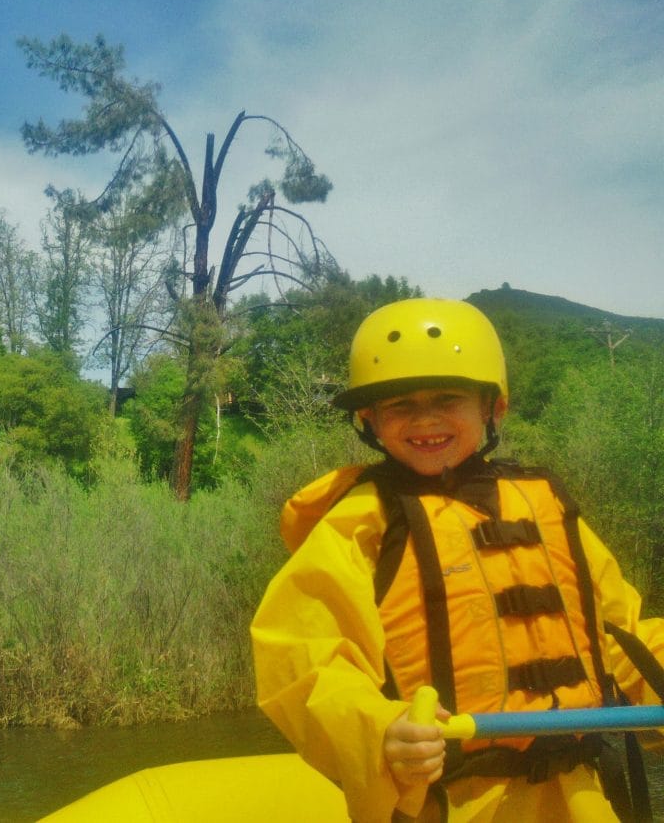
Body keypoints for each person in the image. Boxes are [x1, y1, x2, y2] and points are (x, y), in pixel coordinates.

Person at [251, 297, 664, 822]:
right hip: (445, 801)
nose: (425, 419)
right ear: (369, 419)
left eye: (447, 398)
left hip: (577, 795)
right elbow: (305, 663)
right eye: (399, 405)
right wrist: (380, 731)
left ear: (493, 408)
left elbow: (618, 634)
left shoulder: (545, 506)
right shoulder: (361, 521)